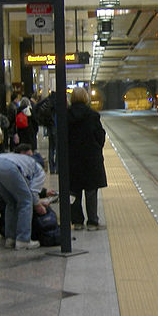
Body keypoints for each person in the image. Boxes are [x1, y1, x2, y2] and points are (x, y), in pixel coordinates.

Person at [0, 144, 53, 249]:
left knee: (11, 202)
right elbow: (32, 192)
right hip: (8, 167)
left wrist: (37, 201)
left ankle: (10, 239)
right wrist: (38, 205)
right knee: (26, 202)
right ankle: (23, 240)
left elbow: (24, 189)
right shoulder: (38, 170)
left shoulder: (22, 162)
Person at [67, 87, 108, 231]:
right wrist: (96, 147)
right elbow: (100, 135)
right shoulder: (92, 115)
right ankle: (92, 222)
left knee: (74, 191)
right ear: (86, 98)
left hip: (72, 159)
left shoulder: (66, 115)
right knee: (91, 191)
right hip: (91, 158)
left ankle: (77, 222)